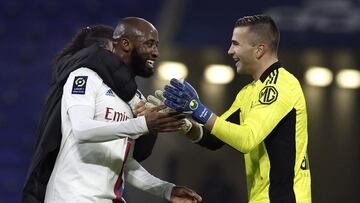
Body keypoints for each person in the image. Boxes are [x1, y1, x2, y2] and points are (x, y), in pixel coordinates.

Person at [23, 18, 202, 203]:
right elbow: (82, 130)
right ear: (124, 44)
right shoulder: (84, 77)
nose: (156, 52)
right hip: (71, 196)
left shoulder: (134, 99)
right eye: (150, 44)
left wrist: (166, 190)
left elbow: (123, 162)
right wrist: (142, 124)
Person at [161, 15, 311, 203]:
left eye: (236, 44)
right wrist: (184, 124)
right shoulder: (248, 92)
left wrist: (196, 107)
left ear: (259, 50)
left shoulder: (281, 85)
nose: (230, 51)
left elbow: (246, 139)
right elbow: (215, 137)